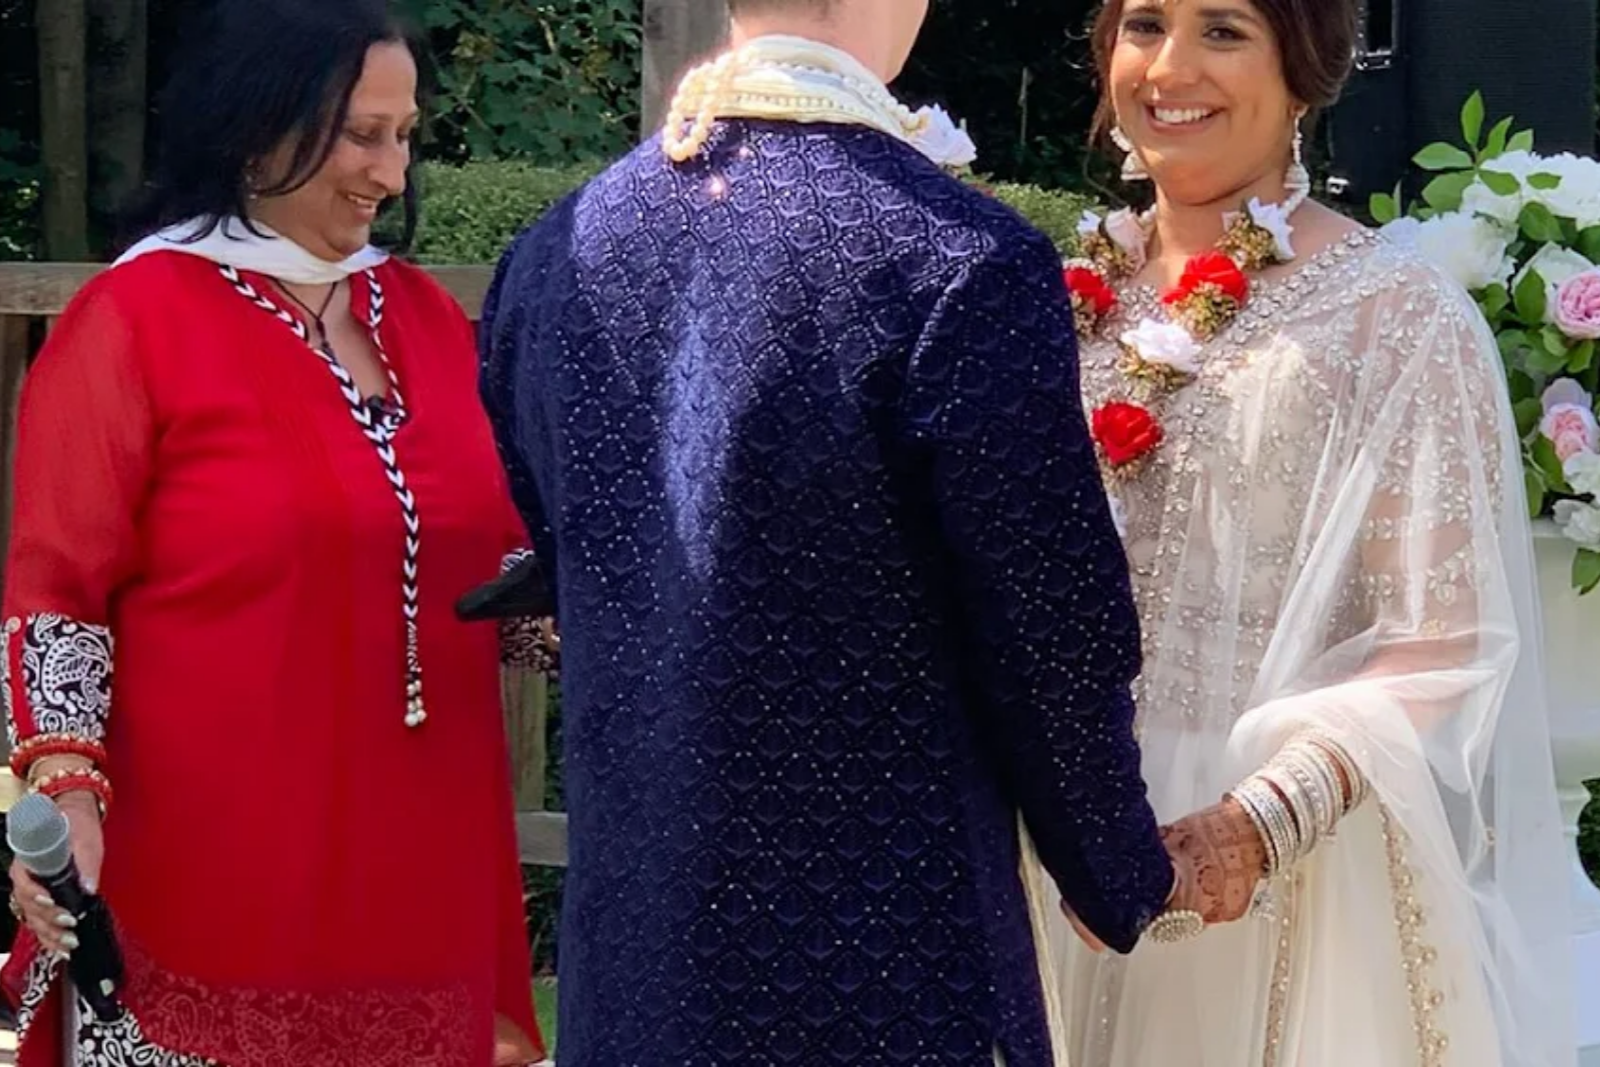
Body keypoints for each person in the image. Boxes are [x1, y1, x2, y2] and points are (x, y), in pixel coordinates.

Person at [475, 0, 1263, 1062]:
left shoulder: (553, 257)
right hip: (887, 952)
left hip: (638, 947)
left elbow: (566, 549)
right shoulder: (956, 260)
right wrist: (1118, 870)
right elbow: (1049, 628)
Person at [1, 2, 546, 1063]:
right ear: (259, 128)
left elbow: (487, 576)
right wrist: (66, 788)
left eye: (404, 134)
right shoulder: (135, 319)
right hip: (209, 876)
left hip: (419, 872)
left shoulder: (429, 321)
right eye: (359, 133)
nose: (390, 173)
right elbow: (59, 593)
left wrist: (634, 603)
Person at [1044, 1, 1576, 1065]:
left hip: (1290, 873)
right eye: (1144, 23)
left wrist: (1255, 822)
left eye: (1224, 31)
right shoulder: (1056, 298)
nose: (1170, 67)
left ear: (1305, 73)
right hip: (1055, 858)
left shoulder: (1393, 315)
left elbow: (1448, 640)